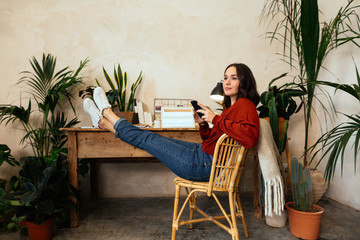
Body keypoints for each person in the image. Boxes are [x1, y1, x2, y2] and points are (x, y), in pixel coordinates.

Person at [83, 63, 260, 182]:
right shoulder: (231, 108)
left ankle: (106, 112)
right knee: (149, 136)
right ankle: (103, 122)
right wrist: (204, 124)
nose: (227, 82)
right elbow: (211, 142)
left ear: (244, 81)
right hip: (202, 156)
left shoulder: (245, 104)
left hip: (203, 165)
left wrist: (215, 118)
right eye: (225, 77)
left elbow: (250, 138)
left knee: (147, 139)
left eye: (233, 78)